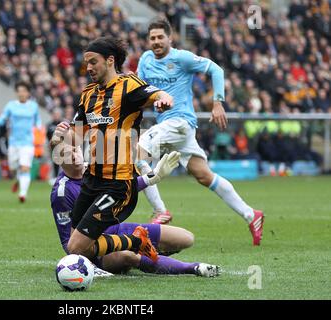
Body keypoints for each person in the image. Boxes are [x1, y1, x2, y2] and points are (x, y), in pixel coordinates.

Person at [137, 18, 264, 245]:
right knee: (204, 175)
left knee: (137, 153)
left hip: (179, 122)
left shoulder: (182, 58)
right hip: (173, 127)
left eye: (160, 37)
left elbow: (216, 69)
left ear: (170, 38)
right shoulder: (145, 60)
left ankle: (160, 211)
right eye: (152, 38)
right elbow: (141, 92)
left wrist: (217, 102)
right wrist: (150, 103)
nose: (156, 42)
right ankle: (250, 214)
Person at [50, 36, 174, 264]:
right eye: (86, 63)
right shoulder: (88, 94)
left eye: (93, 62)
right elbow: (76, 136)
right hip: (91, 181)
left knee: (77, 246)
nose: (88, 67)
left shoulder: (129, 85)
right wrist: (58, 140)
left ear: (110, 60)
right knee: (75, 246)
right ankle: (134, 243)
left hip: (117, 184)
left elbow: (158, 94)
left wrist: (164, 99)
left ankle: (136, 244)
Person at [50, 142, 221, 277]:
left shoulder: (96, 169)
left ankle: (147, 252)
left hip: (117, 229)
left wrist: (154, 176)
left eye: (75, 150)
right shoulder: (61, 192)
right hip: (94, 246)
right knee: (127, 256)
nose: (74, 156)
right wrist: (91, 266)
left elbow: (122, 188)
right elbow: (69, 244)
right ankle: (193, 268)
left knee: (186, 238)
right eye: (66, 154)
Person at [0, 81, 42, 203]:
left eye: (24, 91)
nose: (21, 93)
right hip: (13, 142)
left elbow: (38, 121)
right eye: (19, 91)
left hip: (27, 143)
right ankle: (17, 179)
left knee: (25, 167)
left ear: (28, 93)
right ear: (16, 93)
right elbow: (2, 118)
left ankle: (22, 194)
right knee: (14, 167)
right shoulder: (11, 105)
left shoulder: (33, 106)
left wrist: (39, 128)